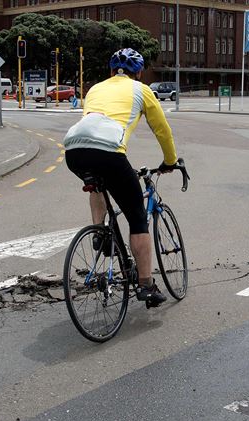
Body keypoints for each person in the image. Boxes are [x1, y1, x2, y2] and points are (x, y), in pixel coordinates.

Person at [63, 48, 178, 308]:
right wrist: (170, 161)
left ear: (110, 71)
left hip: (74, 152)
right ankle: (147, 285)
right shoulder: (142, 90)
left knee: (97, 184)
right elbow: (162, 129)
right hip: (110, 153)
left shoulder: (95, 89)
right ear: (138, 73)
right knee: (137, 219)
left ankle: (100, 230)